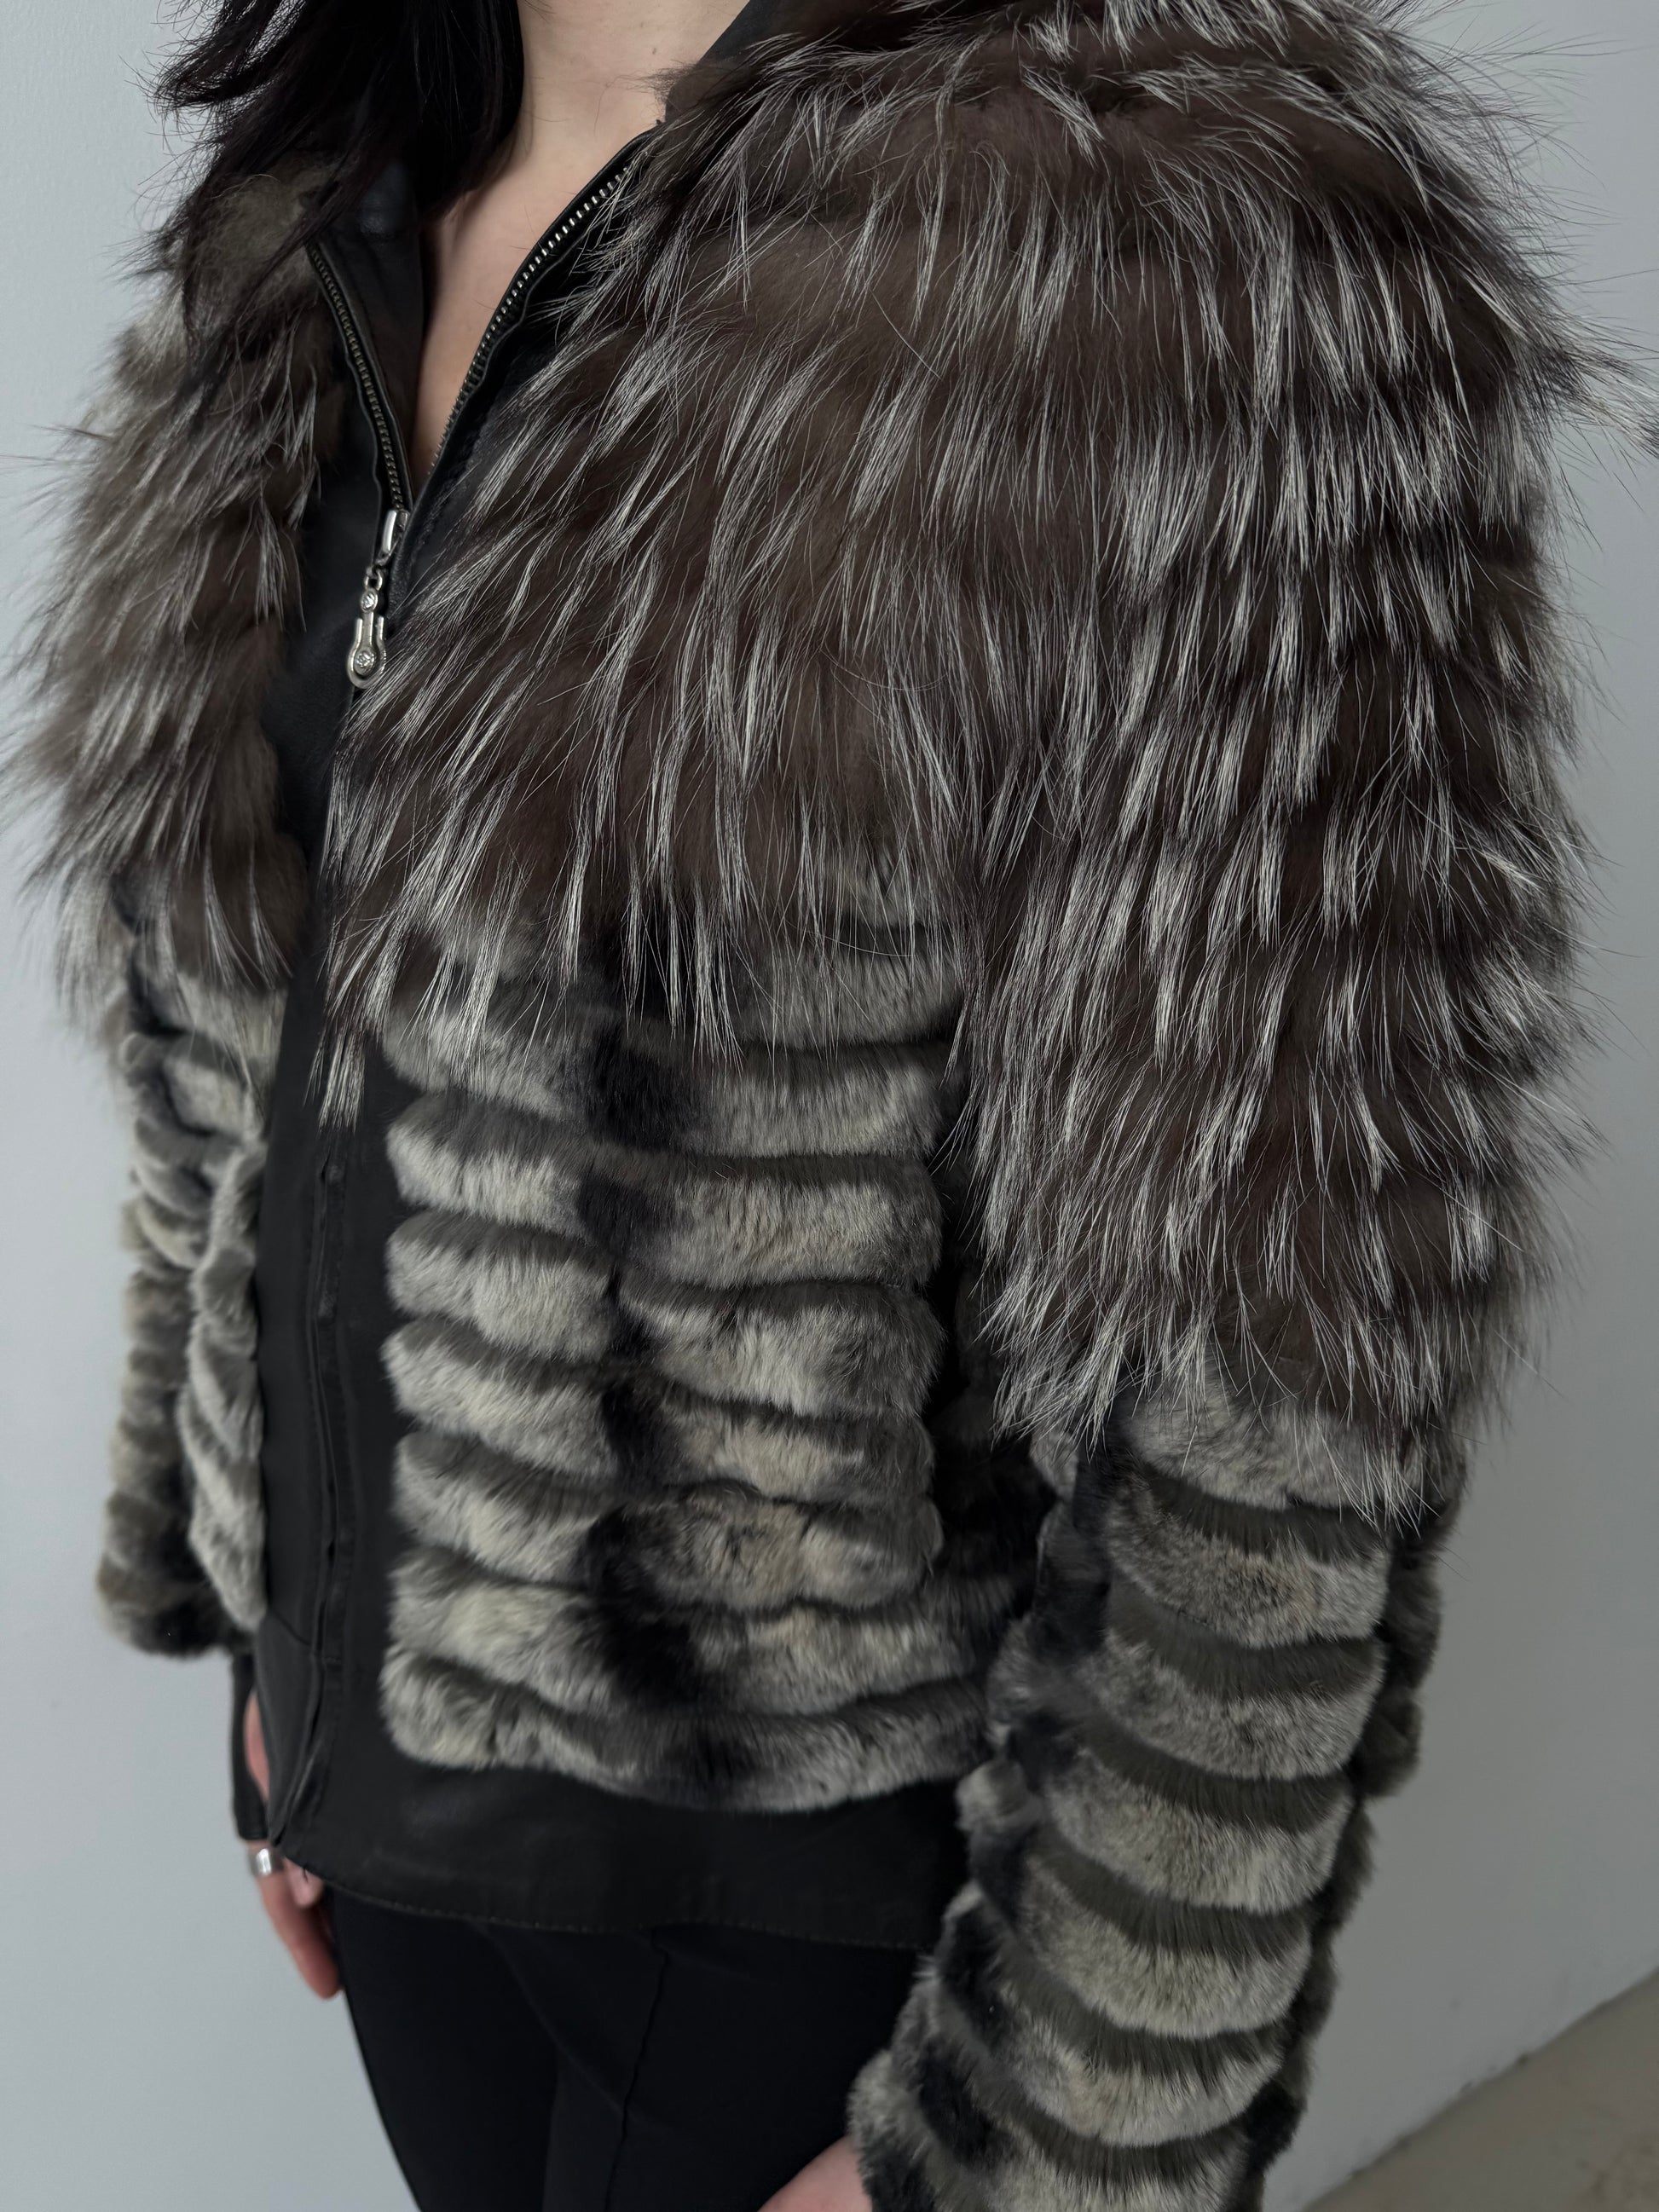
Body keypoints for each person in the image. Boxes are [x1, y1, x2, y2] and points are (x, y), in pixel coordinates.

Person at [16, 0, 1642, 2205]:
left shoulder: (1172, 253)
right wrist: (270, 1604)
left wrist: (1041, 2129)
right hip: (371, 1798)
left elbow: (1279, 1367)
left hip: (799, 1923)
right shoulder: (310, 219)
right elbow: (249, 1048)